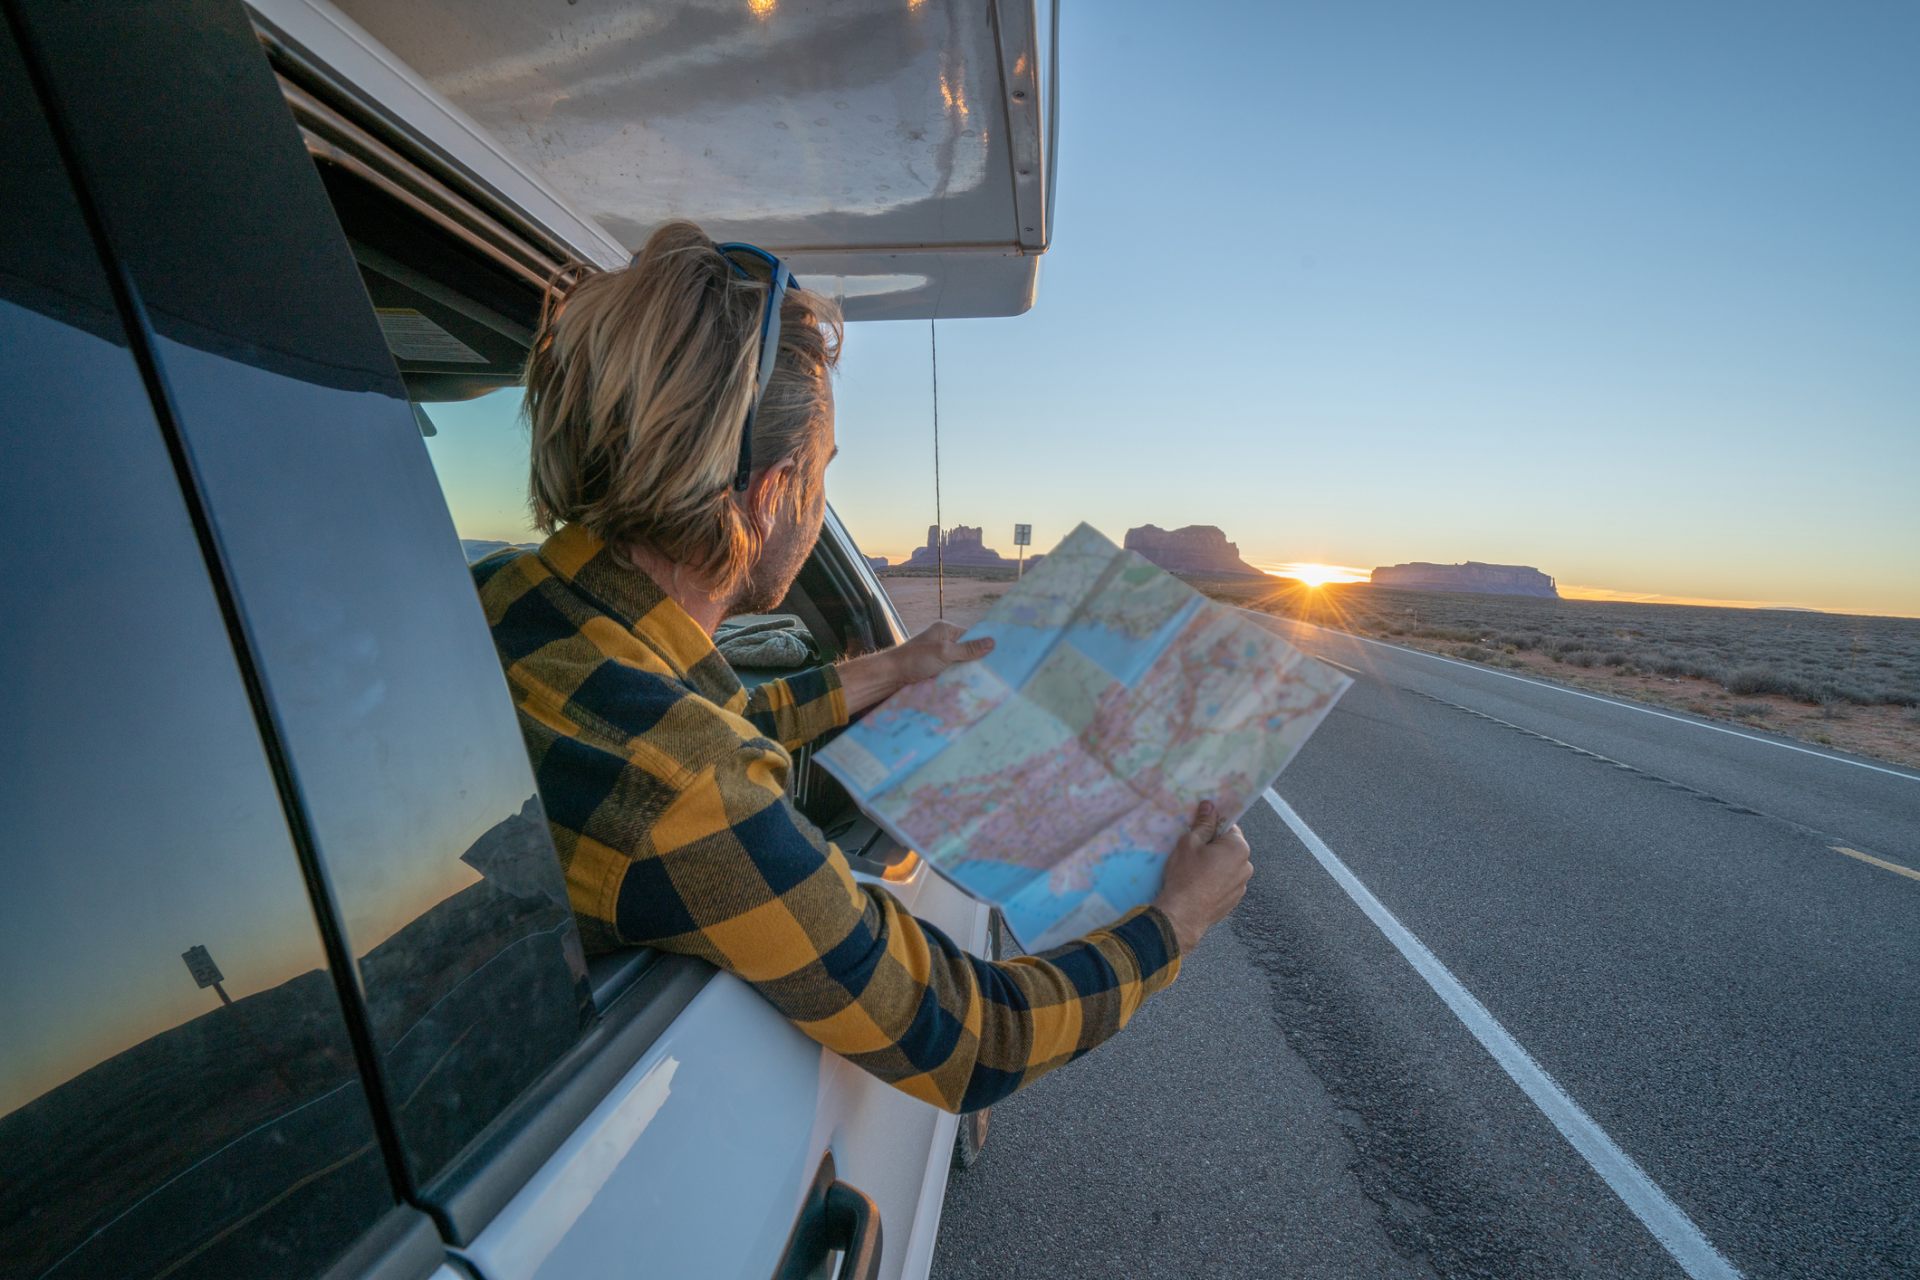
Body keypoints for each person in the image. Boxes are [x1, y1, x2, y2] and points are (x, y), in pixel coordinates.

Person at [473, 221, 1253, 1113]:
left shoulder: (506, 597)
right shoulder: (695, 794)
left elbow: (659, 721)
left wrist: (885, 673)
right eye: (822, 472)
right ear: (769, 495)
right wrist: (1176, 923)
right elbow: (969, 1037)